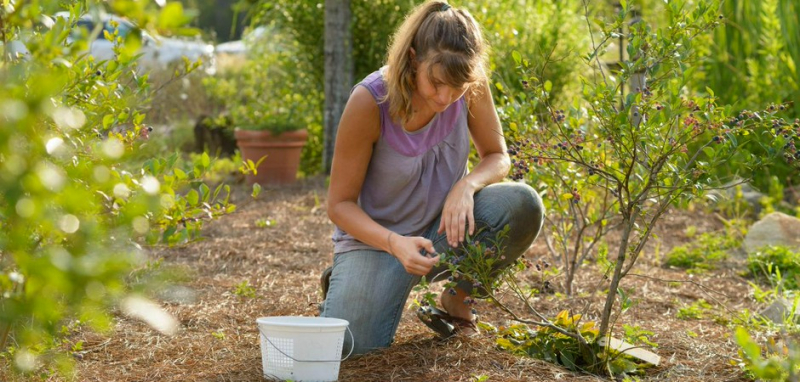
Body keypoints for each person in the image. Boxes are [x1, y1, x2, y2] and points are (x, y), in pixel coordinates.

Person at [321, 0, 544, 356]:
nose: (446, 97)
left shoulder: (468, 83)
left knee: (523, 204)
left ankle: (457, 299)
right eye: (436, 83)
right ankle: (348, 280)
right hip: (378, 244)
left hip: (444, 232)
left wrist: (466, 186)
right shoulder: (370, 101)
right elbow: (339, 205)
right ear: (412, 59)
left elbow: (498, 155)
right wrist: (395, 244)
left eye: (456, 88)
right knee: (351, 351)